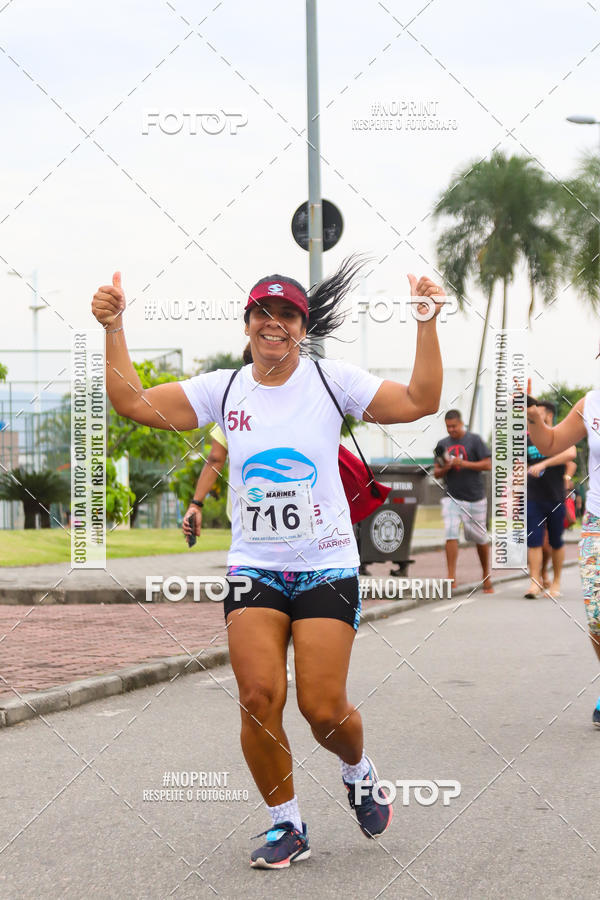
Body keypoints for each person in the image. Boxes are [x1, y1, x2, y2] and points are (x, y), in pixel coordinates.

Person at [92, 258, 444, 866]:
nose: (274, 323)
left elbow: (419, 401)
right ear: (248, 323)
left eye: (288, 314)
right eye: (264, 312)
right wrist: (115, 327)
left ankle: (358, 770)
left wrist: (425, 322)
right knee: (258, 697)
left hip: (327, 566)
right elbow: (131, 401)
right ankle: (288, 824)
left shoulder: (333, 382)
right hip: (253, 568)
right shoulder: (223, 389)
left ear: (302, 328)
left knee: (322, 708)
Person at [526, 393, 600, 727]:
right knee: (597, 617)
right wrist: (532, 418)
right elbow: (552, 442)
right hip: (597, 522)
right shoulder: (591, 404)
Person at [433, 410, 493, 592]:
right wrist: (447, 467)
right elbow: (436, 472)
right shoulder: (442, 444)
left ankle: (486, 575)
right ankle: (451, 577)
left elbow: (488, 464)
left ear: (461, 423)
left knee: (480, 538)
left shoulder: (474, 440)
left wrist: (463, 463)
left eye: (454, 426)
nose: (451, 430)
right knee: (450, 532)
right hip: (451, 496)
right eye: (448, 426)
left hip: (475, 497)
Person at [525, 401, 576, 599]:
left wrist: (545, 463)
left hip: (555, 497)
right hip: (533, 497)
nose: (533, 415)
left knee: (556, 541)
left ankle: (556, 582)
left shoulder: (561, 435)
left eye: (538, 411)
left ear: (548, 415)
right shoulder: (528, 439)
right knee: (534, 541)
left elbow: (571, 453)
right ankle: (534, 583)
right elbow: (520, 463)